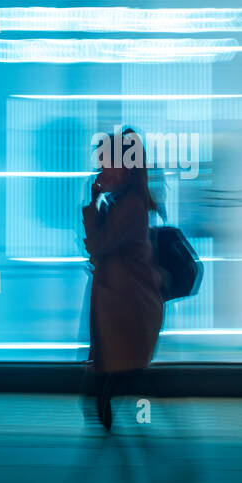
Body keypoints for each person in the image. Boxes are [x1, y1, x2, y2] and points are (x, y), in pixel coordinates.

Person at [81, 127, 164, 432]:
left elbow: (99, 246)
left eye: (108, 162)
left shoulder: (129, 204)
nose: (102, 167)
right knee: (116, 371)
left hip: (125, 305)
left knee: (116, 371)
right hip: (120, 303)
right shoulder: (123, 201)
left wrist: (92, 203)